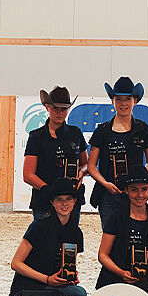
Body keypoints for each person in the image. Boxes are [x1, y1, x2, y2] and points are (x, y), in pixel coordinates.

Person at [88, 76, 148, 231]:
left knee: (132, 235)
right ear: (113, 101)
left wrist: (138, 179)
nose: (123, 103)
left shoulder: (144, 130)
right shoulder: (102, 131)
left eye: (128, 99)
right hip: (107, 195)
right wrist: (105, 184)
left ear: (135, 101)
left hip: (134, 195)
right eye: (118, 99)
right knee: (110, 236)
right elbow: (91, 166)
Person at [9, 179, 88, 296]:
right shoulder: (38, 227)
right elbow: (16, 263)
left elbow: (65, 263)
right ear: (52, 202)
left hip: (53, 285)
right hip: (30, 285)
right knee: (79, 294)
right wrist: (46, 279)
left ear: (75, 201)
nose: (64, 204)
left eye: (68, 199)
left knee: (79, 293)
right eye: (59, 199)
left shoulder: (76, 233)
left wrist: (68, 276)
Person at [96, 167, 148, 294]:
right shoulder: (116, 217)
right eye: (134, 190)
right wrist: (121, 273)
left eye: (144, 189)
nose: (140, 195)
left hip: (147, 278)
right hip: (115, 278)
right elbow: (102, 255)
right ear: (126, 190)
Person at [24, 86, 88, 223]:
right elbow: (28, 175)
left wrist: (81, 173)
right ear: (47, 107)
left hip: (71, 201)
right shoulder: (36, 136)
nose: (59, 113)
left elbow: (86, 164)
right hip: (44, 201)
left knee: (70, 241)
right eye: (55, 109)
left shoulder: (75, 133)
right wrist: (49, 191)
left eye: (63, 109)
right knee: (43, 242)